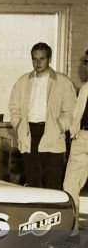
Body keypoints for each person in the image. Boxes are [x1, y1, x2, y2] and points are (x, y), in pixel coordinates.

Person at [8, 42, 75, 190]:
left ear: (49, 59)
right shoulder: (23, 81)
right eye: (34, 59)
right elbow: (14, 107)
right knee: (33, 181)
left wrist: (58, 127)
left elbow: (70, 111)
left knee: (52, 183)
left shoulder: (62, 82)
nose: (37, 63)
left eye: (42, 59)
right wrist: (19, 125)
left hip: (52, 134)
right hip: (29, 134)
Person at [63, 50, 88, 199]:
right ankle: (74, 222)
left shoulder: (85, 88)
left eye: (87, 62)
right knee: (71, 185)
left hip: (83, 138)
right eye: (85, 62)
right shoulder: (85, 88)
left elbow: (76, 116)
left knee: (71, 185)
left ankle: (74, 222)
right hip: (82, 137)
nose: (85, 67)